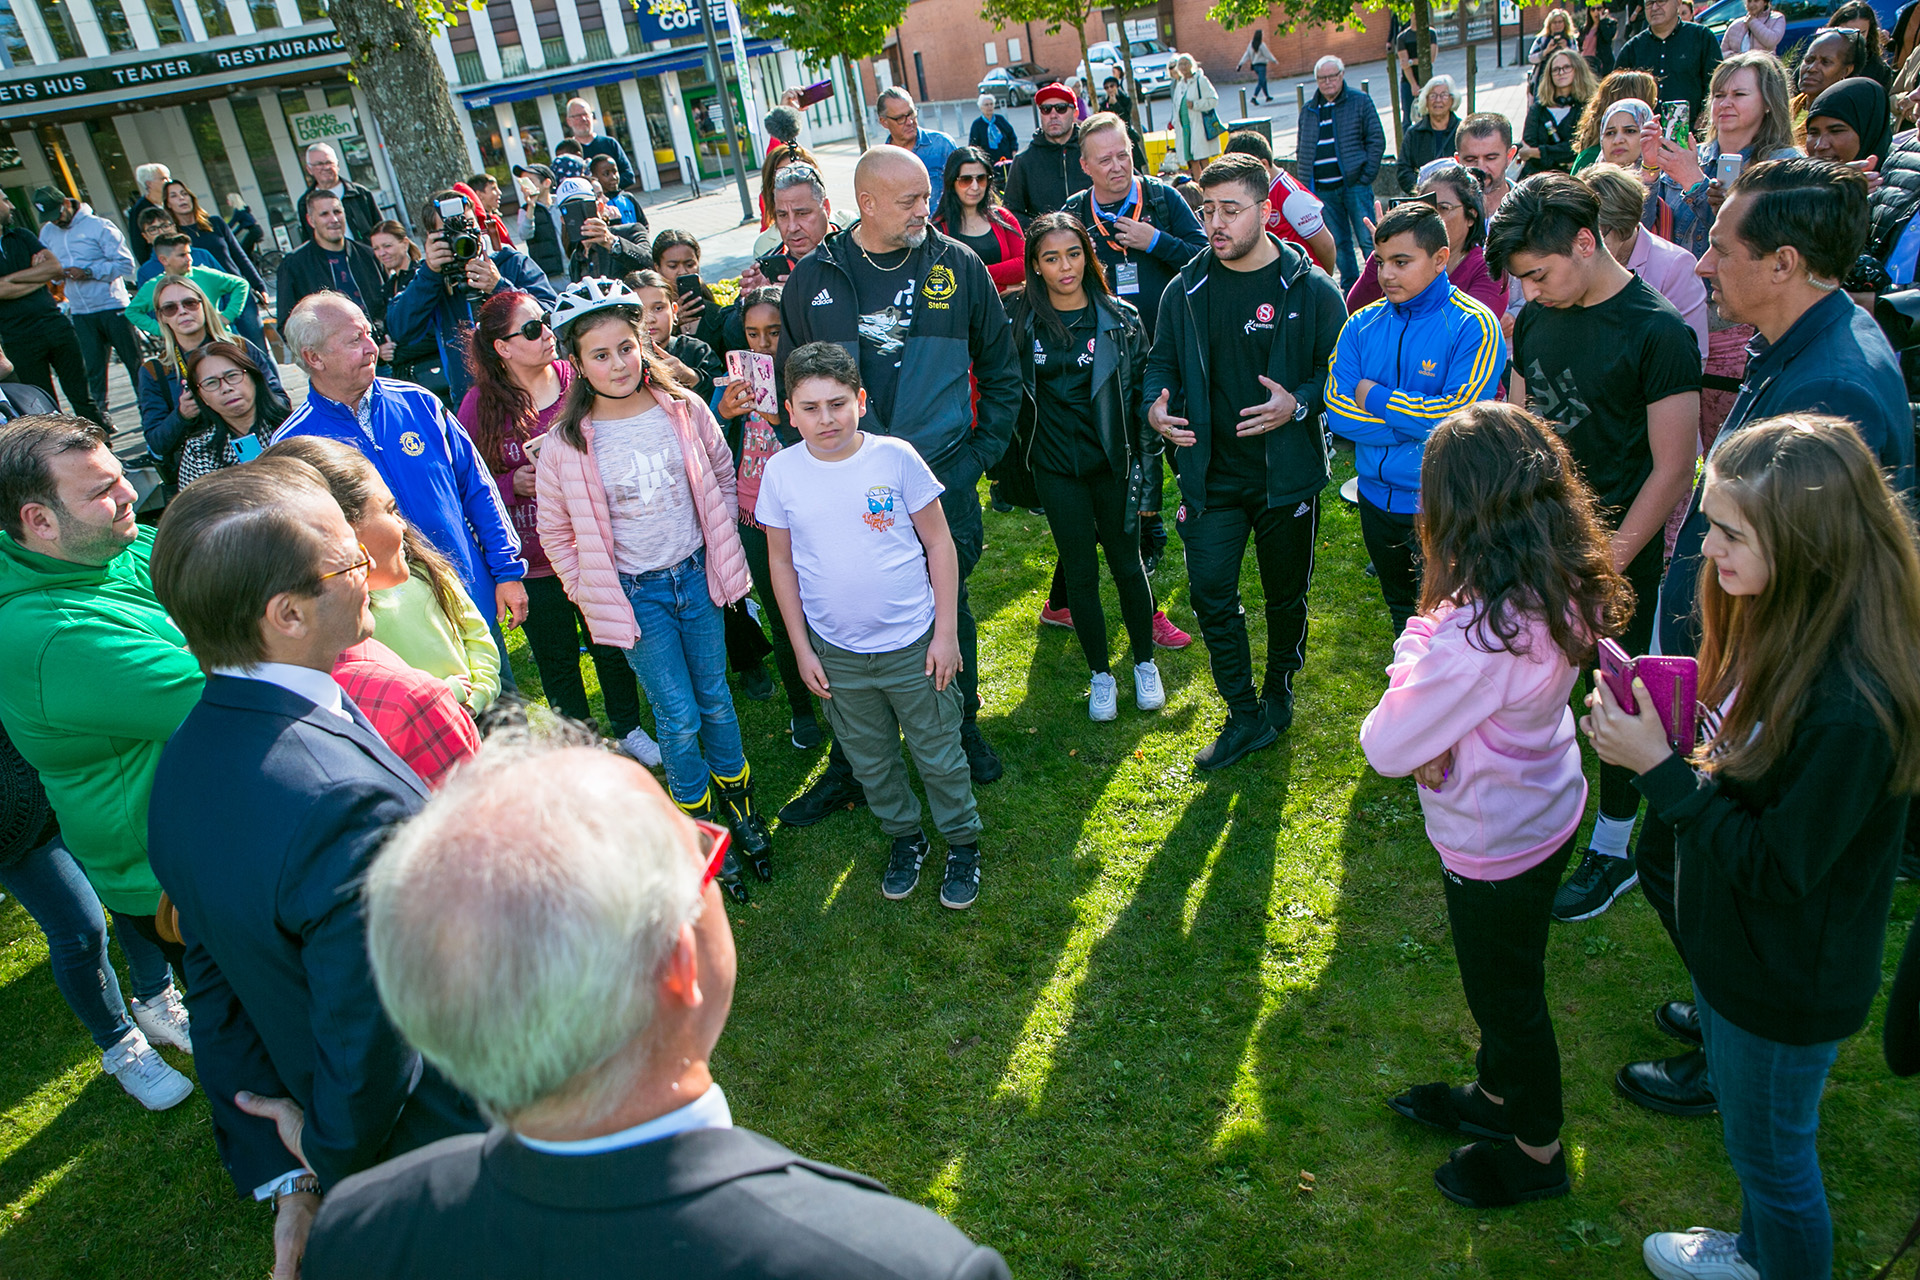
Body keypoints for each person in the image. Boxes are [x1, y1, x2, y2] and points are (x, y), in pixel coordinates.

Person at [301, 731, 1012, 1280]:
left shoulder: (357, 1233)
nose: (712, 854)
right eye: (699, 850)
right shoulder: (902, 1264)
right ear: (675, 961)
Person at [1582, 415, 1920, 1280]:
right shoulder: (1790, 625)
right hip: (1741, 956)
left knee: (1774, 1163)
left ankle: (1777, 1262)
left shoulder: (1854, 703)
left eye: (1730, 531)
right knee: (1752, 1140)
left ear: (1806, 543)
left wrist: (1659, 769)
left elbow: (1778, 864)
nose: (1707, 547)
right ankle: (1754, 1252)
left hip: (1784, 979)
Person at [1621, 158, 1913, 1120]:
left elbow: (1825, 579)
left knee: (1689, 852)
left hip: (1776, 686)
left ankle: (1729, 1033)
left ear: (1783, 262)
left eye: (1721, 247)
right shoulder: (1797, 342)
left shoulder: (1839, 388)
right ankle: (1719, 1010)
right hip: (1749, 665)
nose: (1701, 264)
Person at [145, 460, 487, 1279]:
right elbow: (376, 1032)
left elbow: (212, 973)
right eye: (345, 563)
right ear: (287, 614)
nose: (372, 569)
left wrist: (286, 1166)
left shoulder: (184, 769)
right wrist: (329, 1151)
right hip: (444, 1148)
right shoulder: (337, 802)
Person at [1364, 401, 1629, 1210]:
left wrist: (1416, 640)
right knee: (1512, 978)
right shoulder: (1554, 580)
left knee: (1507, 1000)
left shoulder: (1474, 636)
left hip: (1492, 842)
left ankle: (1536, 1149)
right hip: (1546, 809)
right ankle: (1498, 1096)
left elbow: (1384, 744)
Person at [776, 146, 1020, 807]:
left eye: (925, 196)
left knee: (947, 604)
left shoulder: (958, 266)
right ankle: (854, 762)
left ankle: (961, 729)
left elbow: (1001, 369)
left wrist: (976, 458)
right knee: (846, 613)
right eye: (910, 200)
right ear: (869, 204)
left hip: (939, 478)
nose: (927, 209)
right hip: (842, 490)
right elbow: (787, 386)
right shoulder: (813, 279)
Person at [1487, 173, 1702, 924]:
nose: (1532, 292)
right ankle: (1544, 799)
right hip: (1538, 542)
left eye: (1539, 274)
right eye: (1521, 281)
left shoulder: (1658, 330)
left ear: (1585, 241)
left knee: (1615, 697)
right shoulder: (1536, 318)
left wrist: (1607, 558)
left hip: (1618, 552)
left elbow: (1676, 465)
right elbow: (1524, 425)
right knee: (1540, 678)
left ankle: (1613, 845)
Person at [538, 278, 770, 895]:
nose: (617, 364)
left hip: (696, 579)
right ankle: (694, 831)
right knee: (677, 714)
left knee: (717, 698)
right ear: (578, 365)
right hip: (637, 596)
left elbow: (721, 473)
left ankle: (740, 808)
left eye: (625, 347)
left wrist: (719, 541)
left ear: (642, 344)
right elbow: (556, 531)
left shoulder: (685, 411)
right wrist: (589, 591)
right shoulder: (566, 445)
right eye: (599, 355)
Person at [0, 415, 203, 1103]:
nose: (129, 495)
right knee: (263, 1018)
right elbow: (219, 689)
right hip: (169, 874)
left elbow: (213, 586)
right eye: (101, 491)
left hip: (201, 839)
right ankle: (293, 1164)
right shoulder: (48, 632)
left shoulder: (110, 547)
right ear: (40, 521)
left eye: (119, 475)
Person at [759, 342, 985, 906]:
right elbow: (780, 564)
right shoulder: (781, 472)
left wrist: (946, 633)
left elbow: (939, 543)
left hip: (914, 644)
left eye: (838, 403)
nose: (826, 419)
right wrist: (803, 650)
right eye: (810, 407)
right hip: (836, 654)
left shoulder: (896, 458)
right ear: (790, 412)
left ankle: (962, 842)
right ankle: (906, 838)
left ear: (861, 400)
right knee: (871, 760)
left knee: (939, 751)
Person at [1143, 153, 1347, 770]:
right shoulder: (1186, 289)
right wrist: (1154, 408)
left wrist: (1300, 403)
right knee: (1209, 592)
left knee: (1287, 596)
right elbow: (1161, 363)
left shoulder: (1311, 288)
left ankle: (1279, 686)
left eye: (1231, 210)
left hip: (1286, 477)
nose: (1216, 224)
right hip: (1211, 478)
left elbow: (1336, 373)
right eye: (1208, 211)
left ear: (1265, 211)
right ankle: (1242, 712)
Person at [459, 290, 659, 763]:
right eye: (530, 329)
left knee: (610, 643)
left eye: (544, 322)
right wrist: (514, 482)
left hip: (594, 546)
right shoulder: (478, 406)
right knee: (558, 659)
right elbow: (469, 478)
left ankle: (629, 727)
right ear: (502, 348)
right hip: (532, 560)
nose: (546, 332)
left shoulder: (578, 378)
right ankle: (582, 743)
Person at [277, 291, 530, 645]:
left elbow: (477, 488)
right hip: (391, 632)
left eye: (369, 333)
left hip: (471, 604)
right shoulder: (295, 446)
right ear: (313, 357)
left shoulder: (419, 403)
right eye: (354, 339)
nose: (371, 347)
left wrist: (507, 573)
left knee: (500, 699)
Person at [1008, 211, 1169, 718]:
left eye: (1074, 254)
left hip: (1112, 466)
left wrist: (1147, 479)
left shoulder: (1120, 319)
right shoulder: (1020, 321)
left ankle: (1144, 663)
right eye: (1051, 258)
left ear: (1088, 255)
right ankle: (1100, 673)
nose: (1065, 267)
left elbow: (1146, 405)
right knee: (1079, 570)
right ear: (1035, 265)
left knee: (1127, 565)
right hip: (1056, 470)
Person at [261, 435, 484, 787]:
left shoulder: (284, 657)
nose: (403, 526)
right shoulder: (409, 700)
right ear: (343, 534)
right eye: (390, 510)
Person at [1327, 201, 1505, 635]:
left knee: (1454, 622)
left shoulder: (1474, 325)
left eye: (1401, 262)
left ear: (1441, 258)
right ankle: (1411, 693)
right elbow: (1337, 412)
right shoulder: (1360, 325)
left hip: (1444, 505)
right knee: (1400, 614)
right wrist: (1414, 420)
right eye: (1380, 260)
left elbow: (1459, 416)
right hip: (1374, 499)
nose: (1386, 274)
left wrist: (1375, 396)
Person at [0, 719, 193, 1110]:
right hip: (14, 808)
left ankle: (156, 999)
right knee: (79, 930)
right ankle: (120, 1043)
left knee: (125, 890)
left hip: (72, 777)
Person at [713, 285, 822, 749]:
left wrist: (780, 416)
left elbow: (821, 451)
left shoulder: (809, 385)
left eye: (773, 333)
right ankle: (802, 710)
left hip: (806, 517)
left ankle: (842, 700)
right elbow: (715, 453)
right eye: (753, 334)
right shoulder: (733, 382)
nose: (762, 345)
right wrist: (724, 415)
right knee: (781, 616)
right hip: (753, 516)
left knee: (822, 612)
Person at [387, 189, 555, 408]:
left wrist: (499, 287)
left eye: (467, 226)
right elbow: (400, 329)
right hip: (473, 404)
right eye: (449, 233)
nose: (461, 238)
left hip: (533, 395)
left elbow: (552, 315)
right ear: (431, 238)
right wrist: (430, 274)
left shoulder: (510, 263)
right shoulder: (432, 279)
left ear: (479, 225)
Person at [1062, 113, 1209, 338]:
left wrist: (1156, 242)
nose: (1117, 166)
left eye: (1123, 155)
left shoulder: (1163, 198)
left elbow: (1205, 260)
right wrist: (1076, 259)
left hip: (1169, 338)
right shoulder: (1074, 213)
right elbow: (1051, 283)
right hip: (1105, 346)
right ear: (1085, 166)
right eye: (1105, 160)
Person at [1641, 51, 1800, 259]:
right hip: (1675, 289)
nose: (1725, 103)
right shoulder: (1690, 155)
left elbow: (1757, 241)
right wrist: (1650, 167)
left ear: (1769, 103)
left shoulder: (1785, 165)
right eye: (1719, 95)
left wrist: (1694, 183)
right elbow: (1641, 231)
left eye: (1739, 94)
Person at [136, 274, 283, 487]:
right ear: (162, 317)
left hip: (264, 449)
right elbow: (157, 443)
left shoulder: (240, 349)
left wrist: (249, 396)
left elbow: (281, 402)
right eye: (170, 308)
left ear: (204, 305)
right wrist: (182, 415)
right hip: (205, 473)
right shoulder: (155, 370)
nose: (183, 311)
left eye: (190, 303)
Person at [1346, 164, 1510, 317]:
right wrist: (1384, 254)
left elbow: (1466, 329)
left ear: (1471, 216)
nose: (1433, 218)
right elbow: (1357, 311)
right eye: (1425, 208)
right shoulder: (1405, 261)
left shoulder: (1488, 269)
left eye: (1443, 208)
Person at [1583, 164, 1710, 359]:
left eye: (1597, 236)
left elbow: (1692, 357)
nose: (1585, 248)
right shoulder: (1578, 258)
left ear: (1623, 224)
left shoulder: (1676, 266)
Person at [36, 192, 139, 430]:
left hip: (113, 305)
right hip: (81, 310)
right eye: (49, 217)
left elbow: (125, 263)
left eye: (57, 213)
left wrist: (89, 271)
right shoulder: (47, 232)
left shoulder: (99, 226)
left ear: (66, 203)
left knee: (133, 364)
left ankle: (150, 410)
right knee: (92, 369)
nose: (55, 221)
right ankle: (100, 420)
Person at [0, 191, 101, 425]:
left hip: (56, 326)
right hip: (19, 338)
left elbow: (55, 269)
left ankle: (102, 445)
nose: (12, 205)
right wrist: (36, 278)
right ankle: (57, 456)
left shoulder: (22, 236)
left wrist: (9, 282)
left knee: (82, 396)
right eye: (5, 200)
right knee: (40, 405)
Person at [1298, 56, 1388, 288]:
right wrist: (1306, 186)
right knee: (1339, 244)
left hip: (1354, 185)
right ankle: (1351, 291)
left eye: (1332, 76)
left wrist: (1365, 176)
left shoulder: (1359, 101)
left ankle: (1378, 286)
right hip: (1323, 190)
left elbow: (1376, 139)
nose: (1327, 82)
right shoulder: (1308, 110)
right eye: (1322, 78)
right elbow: (1303, 150)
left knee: (1368, 239)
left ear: (1342, 75)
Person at [1220, 131, 1340, 276]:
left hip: (1303, 283)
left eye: (1240, 175)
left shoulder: (1292, 196)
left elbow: (1325, 246)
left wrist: (1323, 281)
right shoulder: (1255, 193)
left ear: (1263, 165)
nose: (1236, 182)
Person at [175, 340, 288, 487]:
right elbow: (192, 509)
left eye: (233, 376)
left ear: (254, 378)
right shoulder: (198, 452)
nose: (226, 388)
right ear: (201, 397)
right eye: (211, 383)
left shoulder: (294, 429)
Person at [275, 191, 389, 332]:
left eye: (337, 212)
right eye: (324, 214)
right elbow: (288, 326)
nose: (334, 219)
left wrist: (384, 338)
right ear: (310, 220)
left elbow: (389, 303)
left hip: (381, 345)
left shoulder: (368, 255)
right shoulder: (294, 265)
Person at [1614, 0, 1722, 124]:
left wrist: (1706, 116)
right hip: (1644, 136)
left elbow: (1717, 85)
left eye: (1661, 1)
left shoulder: (1701, 37)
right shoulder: (1633, 48)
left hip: (1691, 134)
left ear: (1678, 2)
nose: (1654, 7)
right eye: (1649, 3)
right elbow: (1617, 97)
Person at [935, 147, 1026, 292]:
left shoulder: (1003, 217)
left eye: (981, 179)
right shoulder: (938, 230)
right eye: (966, 180)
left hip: (1008, 310)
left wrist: (975, 273)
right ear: (952, 182)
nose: (975, 187)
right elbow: (947, 283)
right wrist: (1003, 288)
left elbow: (1023, 265)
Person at [736, 162, 838, 292]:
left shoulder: (857, 253)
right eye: (783, 215)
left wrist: (802, 298)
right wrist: (755, 305)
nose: (792, 227)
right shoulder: (765, 271)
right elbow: (731, 312)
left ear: (826, 208)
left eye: (802, 214)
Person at [127, 232, 250, 338]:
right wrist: (161, 330)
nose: (189, 258)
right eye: (182, 255)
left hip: (220, 339)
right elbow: (132, 311)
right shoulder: (154, 286)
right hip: (184, 348)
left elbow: (241, 284)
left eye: (189, 253)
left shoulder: (205, 275)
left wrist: (227, 316)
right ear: (164, 260)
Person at [1006, 82, 1093, 222]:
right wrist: (1044, 232)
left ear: (1075, 113)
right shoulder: (1024, 160)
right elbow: (1011, 213)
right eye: (1046, 109)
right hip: (1047, 241)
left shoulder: (1093, 150)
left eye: (1061, 108)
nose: (1053, 115)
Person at [1521, 50, 1597, 176]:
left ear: (1578, 70)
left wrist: (1539, 152)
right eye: (1555, 69)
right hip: (1538, 176)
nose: (1561, 73)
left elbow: (1577, 148)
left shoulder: (1587, 107)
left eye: (1566, 67)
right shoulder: (1538, 109)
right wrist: (1562, 158)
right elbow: (1529, 144)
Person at [1571, 70, 1661, 171]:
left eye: (1629, 131)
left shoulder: (1664, 164)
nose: (1618, 140)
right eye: (1610, 133)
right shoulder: (1591, 158)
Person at [296, 142, 381, 243]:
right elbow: (308, 239)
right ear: (309, 169)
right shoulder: (305, 202)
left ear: (337, 165)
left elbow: (380, 228)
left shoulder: (359, 193)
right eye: (319, 164)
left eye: (329, 162)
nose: (326, 167)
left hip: (365, 255)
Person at [1803, 76, 1893, 168]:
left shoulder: (1902, 178)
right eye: (1813, 133)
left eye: (1836, 131)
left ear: (1870, 130)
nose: (1820, 145)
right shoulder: (1798, 178)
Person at [876, 86, 957, 186]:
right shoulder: (882, 161)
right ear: (884, 122)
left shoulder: (943, 145)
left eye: (911, 114)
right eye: (900, 118)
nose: (909, 122)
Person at [1399, 77, 1462, 193]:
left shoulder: (1463, 131)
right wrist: (1420, 191)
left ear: (1452, 99)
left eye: (1444, 95)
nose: (1438, 100)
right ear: (1425, 100)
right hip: (1423, 197)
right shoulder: (1414, 133)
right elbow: (1404, 170)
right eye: (1432, 95)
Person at [562, 96, 637, 189]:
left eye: (585, 114)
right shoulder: (567, 152)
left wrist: (606, 187)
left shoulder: (610, 143)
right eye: (577, 116)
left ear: (592, 117)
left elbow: (629, 176)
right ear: (569, 121)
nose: (583, 119)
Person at [1456, 112, 1521, 217]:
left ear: (1509, 156)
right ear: (1458, 161)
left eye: (1490, 158)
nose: (1481, 168)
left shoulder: (1529, 208)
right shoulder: (1445, 212)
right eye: (1471, 160)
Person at [1170, 53, 1223, 180]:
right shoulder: (1180, 84)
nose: (1183, 66)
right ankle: (1199, 186)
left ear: (1192, 64)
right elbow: (1176, 106)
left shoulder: (1201, 80)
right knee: (1191, 158)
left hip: (1198, 126)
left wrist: (1195, 105)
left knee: (1203, 157)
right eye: (1180, 64)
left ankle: (1209, 182)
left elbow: (1213, 100)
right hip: (1185, 128)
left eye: (1186, 63)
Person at [1792, 27, 1864, 118]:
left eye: (1825, 62)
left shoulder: (1842, 118)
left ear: (1845, 71)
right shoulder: (1784, 109)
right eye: (1809, 60)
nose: (1812, 68)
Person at [515, 163, 566, 282]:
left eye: (530, 181)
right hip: (550, 274)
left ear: (546, 183)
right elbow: (524, 234)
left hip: (574, 267)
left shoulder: (562, 203)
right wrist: (531, 207)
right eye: (523, 183)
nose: (525, 187)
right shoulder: (525, 210)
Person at [1831, 0, 1896, 91]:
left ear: (1869, 32)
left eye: (1862, 33)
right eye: (1848, 32)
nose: (1854, 38)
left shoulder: (1879, 69)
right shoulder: (1820, 59)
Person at [126, 162, 169, 266]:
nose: (169, 182)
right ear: (149, 183)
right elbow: (139, 244)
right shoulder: (139, 210)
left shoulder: (170, 202)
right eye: (163, 179)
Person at [971, 93, 1019, 169]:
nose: (989, 107)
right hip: (988, 162)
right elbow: (973, 146)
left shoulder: (1000, 120)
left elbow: (1011, 136)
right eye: (986, 105)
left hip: (1006, 159)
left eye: (991, 104)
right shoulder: (977, 124)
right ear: (981, 107)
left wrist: (1014, 150)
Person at [1237, 29, 1276, 104]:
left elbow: (1246, 55)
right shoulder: (1261, 45)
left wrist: (1240, 64)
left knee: (1263, 81)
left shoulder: (1251, 44)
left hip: (1255, 66)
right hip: (1262, 65)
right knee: (1261, 81)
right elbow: (1267, 54)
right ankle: (1254, 97)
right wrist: (1274, 60)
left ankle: (1267, 96)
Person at [1581, 3, 1619, 76]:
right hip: (1586, 64)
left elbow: (1607, 37)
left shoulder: (1610, 24)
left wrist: (1602, 21)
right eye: (1593, 9)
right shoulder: (1584, 28)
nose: (1596, 12)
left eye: (1599, 8)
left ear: (1604, 9)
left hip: (1601, 65)